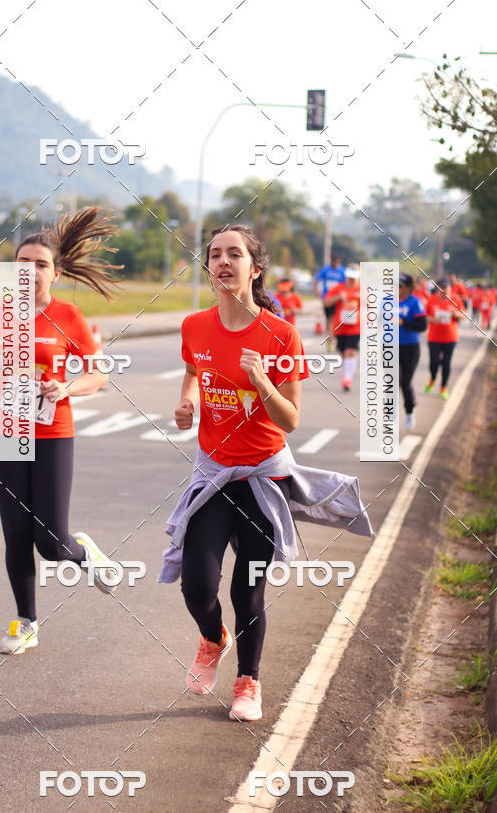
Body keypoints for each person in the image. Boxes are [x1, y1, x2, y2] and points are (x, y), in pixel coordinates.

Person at [158, 226, 373, 723]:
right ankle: (213, 638)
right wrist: (187, 403)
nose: (223, 261)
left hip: (262, 479)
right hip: (214, 476)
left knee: (246, 588)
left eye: (234, 254)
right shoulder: (195, 325)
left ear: (255, 268)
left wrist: (261, 381)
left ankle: (248, 682)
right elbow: (193, 369)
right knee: (197, 585)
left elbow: (290, 419)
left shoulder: (281, 335)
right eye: (215, 254)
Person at [0, 207, 120, 655]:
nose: (31, 271)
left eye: (41, 264)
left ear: (56, 273)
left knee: (51, 543)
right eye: (23, 263)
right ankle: (26, 622)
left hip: (53, 434)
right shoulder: (0, 313)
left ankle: (82, 551)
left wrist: (65, 387)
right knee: (16, 533)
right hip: (7, 430)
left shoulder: (69, 316)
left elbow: (99, 375)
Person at [425, 277, 465, 400]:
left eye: (446, 288)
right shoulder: (431, 300)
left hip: (450, 337)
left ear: (450, 289)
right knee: (434, 362)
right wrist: (433, 319)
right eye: (441, 288)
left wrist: (456, 314)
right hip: (434, 337)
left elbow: (463, 315)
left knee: (446, 363)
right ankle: (433, 379)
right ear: (437, 290)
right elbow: (425, 315)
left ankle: (443, 387)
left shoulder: (456, 299)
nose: (443, 291)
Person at [323, 267, 360, 391]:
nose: (351, 280)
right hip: (340, 327)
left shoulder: (362, 290)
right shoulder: (338, 288)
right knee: (343, 353)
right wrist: (338, 297)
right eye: (349, 278)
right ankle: (346, 374)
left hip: (355, 327)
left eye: (353, 278)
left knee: (351, 351)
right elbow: (326, 302)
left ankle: (347, 379)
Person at [398, 273, 427, 430]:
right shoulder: (387, 301)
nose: (396, 289)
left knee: (405, 382)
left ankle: (410, 412)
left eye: (399, 286)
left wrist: (403, 322)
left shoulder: (415, 302)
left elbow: (422, 326)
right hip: (390, 346)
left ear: (408, 288)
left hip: (410, 347)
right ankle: (389, 415)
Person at [315, 253, 346, 347]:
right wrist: (317, 291)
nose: (335, 264)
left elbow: (346, 284)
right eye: (334, 262)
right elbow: (316, 280)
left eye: (337, 262)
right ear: (331, 261)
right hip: (327, 298)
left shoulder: (342, 271)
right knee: (329, 319)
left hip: (338, 299)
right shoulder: (325, 270)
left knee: (336, 319)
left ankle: (334, 337)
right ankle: (329, 338)